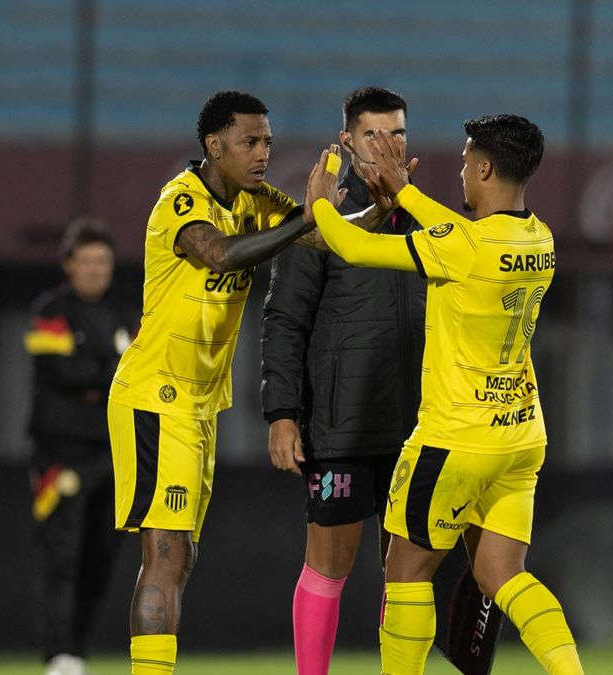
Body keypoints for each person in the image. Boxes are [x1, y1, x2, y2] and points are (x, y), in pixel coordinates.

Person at [106, 90, 391, 674]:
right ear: (214, 146)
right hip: (157, 394)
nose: (263, 153)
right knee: (164, 554)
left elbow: (321, 236)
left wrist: (378, 212)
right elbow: (219, 255)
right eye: (250, 142)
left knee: (181, 556)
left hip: (198, 403)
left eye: (268, 142)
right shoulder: (180, 200)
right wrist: (308, 217)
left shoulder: (255, 200)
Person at [306, 116, 585, 674]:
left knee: (406, 572)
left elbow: (353, 247)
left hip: (455, 438)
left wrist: (318, 206)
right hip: (519, 436)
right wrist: (404, 193)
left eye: (464, 162)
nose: (460, 172)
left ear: (484, 168)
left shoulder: (463, 246)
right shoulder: (541, 239)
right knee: (503, 575)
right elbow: (459, 234)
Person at [259, 86, 424, 675]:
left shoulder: (428, 220)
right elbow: (284, 320)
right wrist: (282, 413)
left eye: (397, 132)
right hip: (342, 425)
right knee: (329, 566)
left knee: (408, 576)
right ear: (347, 142)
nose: (386, 144)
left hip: (419, 427)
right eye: (373, 133)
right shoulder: (317, 220)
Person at [24, 219, 132, 675]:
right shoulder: (49, 310)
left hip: (113, 453)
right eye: (86, 260)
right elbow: (64, 372)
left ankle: (78, 652)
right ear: (68, 264)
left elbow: (134, 375)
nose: (94, 268)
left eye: (102, 260)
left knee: (100, 558)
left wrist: (97, 375)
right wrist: (110, 369)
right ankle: (58, 654)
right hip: (60, 454)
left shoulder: (123, 312)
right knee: (61, 556)